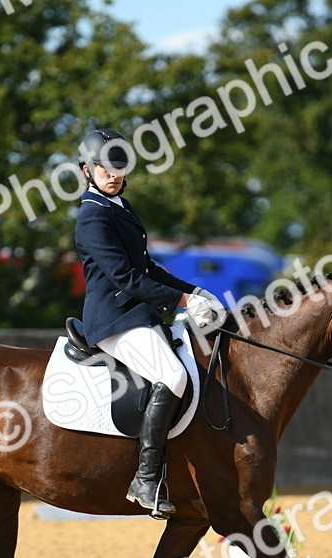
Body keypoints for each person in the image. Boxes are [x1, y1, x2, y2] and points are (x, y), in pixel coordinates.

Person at [74, 128, 223, 518]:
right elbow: (125, 278)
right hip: (114, 318)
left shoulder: (119, 206)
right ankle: (145, 478)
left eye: (119, 166)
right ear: (87, 170)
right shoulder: (93, 215)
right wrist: (184, 301)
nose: (114, 174)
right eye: (105, 168)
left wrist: (196, 290)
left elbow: (149, 268)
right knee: (172, 376)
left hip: (137, 313)